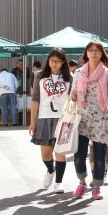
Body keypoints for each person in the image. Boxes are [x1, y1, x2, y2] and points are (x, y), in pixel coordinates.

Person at [70, 41, 108, 200]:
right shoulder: (78, 73)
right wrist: (74, 95)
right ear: (86, 53)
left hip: (101, 118)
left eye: (97, 50)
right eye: (90, 50)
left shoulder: (107, 73)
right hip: (82, 118)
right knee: (79, 153)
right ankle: (82, 182)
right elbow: (72, 94)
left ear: (102, 53)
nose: (93, 53)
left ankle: (97, 187)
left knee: (99, 155)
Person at [29, 48, 72, 193]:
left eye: (58, 61)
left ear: (63, 62)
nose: (54, 64)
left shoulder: (69, 77)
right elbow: (35, 99)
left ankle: (59, 182)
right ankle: (50, 170)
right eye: (52, 60)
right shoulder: (40, 76)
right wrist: (32, 122)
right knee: (45, 154)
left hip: (63, 118)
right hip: (44, 117)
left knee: (60, 152)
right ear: (48, 60)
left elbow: (74, 99)